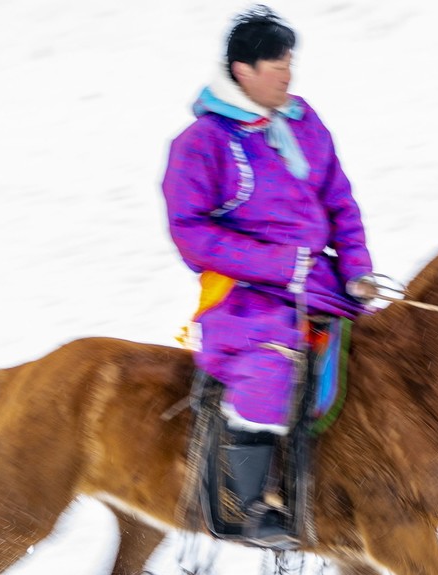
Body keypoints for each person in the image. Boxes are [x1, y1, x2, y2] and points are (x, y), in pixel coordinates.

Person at [163, 5, 375, 547]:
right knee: (273, 366)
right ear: (242, 71)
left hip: (322, 285)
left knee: (376, 358)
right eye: (276, 64)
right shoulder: (202, 143)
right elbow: (191, 234)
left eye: (289, 62)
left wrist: (356, 271)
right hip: (244, 296)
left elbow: (340, 203)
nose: (288, 73)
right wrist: (276, 264)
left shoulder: (304, 122)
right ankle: (246, 506)